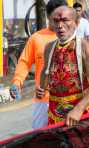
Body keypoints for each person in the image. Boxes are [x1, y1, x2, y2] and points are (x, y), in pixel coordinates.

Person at [36, 6, 89, 126]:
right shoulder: (49, 47)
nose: (60, 25)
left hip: (80, 114)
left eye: (65, 20)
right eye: (56, 21)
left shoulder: (84, 47)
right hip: (55, 115)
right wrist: (41, 89)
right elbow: (45, 71)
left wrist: (79, 109)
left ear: (76, 23)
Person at [9, 0, 68, 129]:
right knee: (41, 139)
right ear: (48, 16)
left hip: (68, 100)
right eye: (56, 18)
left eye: (63, 18)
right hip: (43, 101)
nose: (60, 22)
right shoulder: (36, 38)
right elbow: (24, 62)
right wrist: (17, 82)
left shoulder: (73, 38)